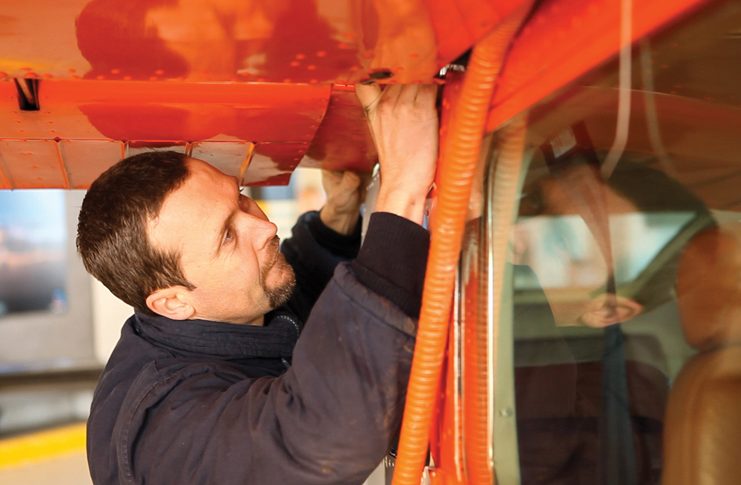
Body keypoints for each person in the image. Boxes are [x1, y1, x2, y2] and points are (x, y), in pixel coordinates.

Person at [76, 83, 438, 484]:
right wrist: (403, 190)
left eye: (242, 199)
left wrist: (340, 213)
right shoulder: (164, 426)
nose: (265, 226)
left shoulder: (227, 311)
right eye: (227, 235)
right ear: (173, 302)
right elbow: (322, 439)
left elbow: (287, 294)